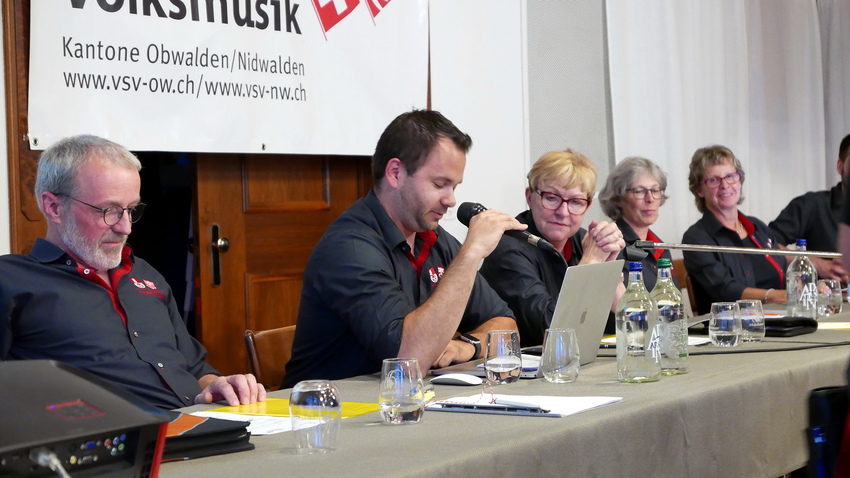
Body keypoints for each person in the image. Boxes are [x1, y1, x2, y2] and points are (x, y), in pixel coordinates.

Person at [0, 135, 265, 410]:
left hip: (200, 422)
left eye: (131, 209)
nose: (125, 227)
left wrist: (218, 385)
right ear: (53, 207)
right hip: (119, 433)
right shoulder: (11, 281)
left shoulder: (144, 274)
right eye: (109, 210)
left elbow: (195, 368)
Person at [282, 110, 521, 388]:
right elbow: (409, 360)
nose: (451, 200)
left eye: (454, 186)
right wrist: (471, 253)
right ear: (395, 173)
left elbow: (507, 328)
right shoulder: (349, 247)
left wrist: (468, 346)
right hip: (329, 409)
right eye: (439, 184)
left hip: (401, 403)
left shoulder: (433, 238)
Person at [479, 149, 626, 347]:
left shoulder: (587, 241)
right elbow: (553, 332)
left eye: (575, 202)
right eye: (551, 198)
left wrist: (612, 277)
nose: (563, 212)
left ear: (587, 206)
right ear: (530, 198)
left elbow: (630, 325)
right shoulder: (508, 249)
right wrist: (590, 264)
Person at [682, 145, 787, 315]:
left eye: (730, 176)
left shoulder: (758, 227)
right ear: (699, 190)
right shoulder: (695, 239)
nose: (725, 185)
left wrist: (807, 288)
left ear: (739, 181)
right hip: (731, 326)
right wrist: (776, 296)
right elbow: (726, 290)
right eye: (714, 180)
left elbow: (784, 273)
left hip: (781, 318)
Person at [769, 133, 850, 283]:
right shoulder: (811, 204)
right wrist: (815, 263)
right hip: (825, 296)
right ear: (840, 167)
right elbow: (767, 245)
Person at [599, 156, 678, 291]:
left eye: (655, 190)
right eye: (639, 191)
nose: (650, 199)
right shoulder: (611, 245)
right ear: (618, 198)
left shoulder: (660, 246)